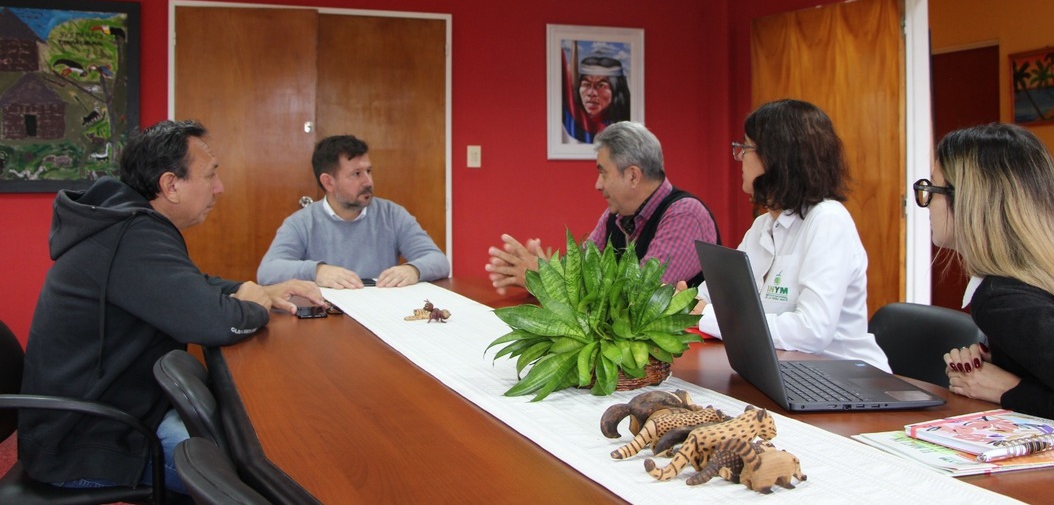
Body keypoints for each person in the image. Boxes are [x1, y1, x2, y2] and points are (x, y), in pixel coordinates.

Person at [19, 120, 324, 496]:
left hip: (115, 413)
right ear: (170, 185)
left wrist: (252, 288)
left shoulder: (127, 223)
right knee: (259, 478)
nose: (219, 187)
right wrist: (257, 305)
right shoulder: (131, 236)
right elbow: (214, 323)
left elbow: (185, 285)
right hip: (86, 441)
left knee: (237, 442)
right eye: (211, 175)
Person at [692, 99, 889, 371]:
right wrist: (690, 304)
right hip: (784, 370)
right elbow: (711, 296)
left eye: (746, 148)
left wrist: (707, 315)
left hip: (845, 379)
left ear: (777, 159)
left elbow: (811, 332)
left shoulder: (828, 221)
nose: (739, 157)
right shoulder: (763, 226)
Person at [920, 123, 1054, 424]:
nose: (927, 203)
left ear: (971, 201)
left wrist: (1008, 390)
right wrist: (1006, 362)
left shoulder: (1003, 300)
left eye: (931, 190)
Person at [487, 121, 718, 289]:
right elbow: (579, 273)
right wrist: (537, 269)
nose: (598, 185)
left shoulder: (685, 215)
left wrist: (543, 277)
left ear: (633, 176)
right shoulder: (615, 216)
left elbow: (638, 296)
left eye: (603, 173)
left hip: (683, 355)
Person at [257, 135, 449, 288]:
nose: (368, 182)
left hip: (381, 313)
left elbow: (439, 261)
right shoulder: (301, 223)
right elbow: (267, 271)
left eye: (369, 171)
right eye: (356, 174)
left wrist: (414, 269)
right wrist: (318, 271)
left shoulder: (392, 214)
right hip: (328, 320)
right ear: (328, 182)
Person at [562, 53, 631, 144]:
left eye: (600, 86)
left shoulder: (624, 130)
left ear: (616, 89)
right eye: (586, 85)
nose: (591, 93)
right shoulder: (573, 123)